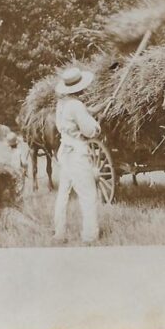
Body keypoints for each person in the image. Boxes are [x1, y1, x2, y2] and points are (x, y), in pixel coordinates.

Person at [52, 67, 107, 243]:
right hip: (77, 154)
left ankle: (59, 234)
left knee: (64, 194)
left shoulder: (62, 104)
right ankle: (90, 236)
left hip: (65, 153)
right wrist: (97, 125)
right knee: (88, 195)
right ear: (79, 88)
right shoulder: (76, 106)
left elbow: (85, 112)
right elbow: (91, 131)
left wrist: (103, 106)